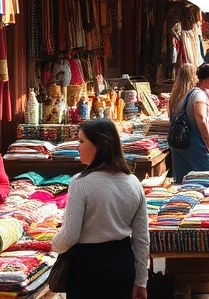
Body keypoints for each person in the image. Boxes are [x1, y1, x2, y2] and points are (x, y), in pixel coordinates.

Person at [51, 118, 149, 299]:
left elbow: (70, 235)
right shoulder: (133, 182)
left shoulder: (81, 183)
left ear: (99, 145)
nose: (77, 146)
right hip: (123, 262)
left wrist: (53, 243)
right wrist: (141, 280)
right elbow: (142, 238)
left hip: (88, 268)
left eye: (81, 141)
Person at [171, 63, 209, 183]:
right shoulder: (198, 95)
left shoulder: (183, 95)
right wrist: (208, 145)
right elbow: (201, 119)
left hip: (180, 143)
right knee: (208, 174)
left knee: (183, 180)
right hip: (193, 141)